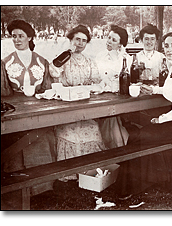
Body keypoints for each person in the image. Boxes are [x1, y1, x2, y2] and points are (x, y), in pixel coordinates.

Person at [115, 32, 172, 199]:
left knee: (139, 136)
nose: (168, 49)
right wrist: (154, 90)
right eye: (166, 46)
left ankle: (128, 188)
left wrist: (160, 119)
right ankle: (155, 180)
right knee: (140, 132)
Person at [1, 19, 55, 196]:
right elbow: (3, 93)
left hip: (39, 111)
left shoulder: (42, 61)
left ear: (30, 37)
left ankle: (43, 186)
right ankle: (17, 187)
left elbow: (48, 89)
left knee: (41, 136)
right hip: (15, 113)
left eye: (21, 36)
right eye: (13, 36)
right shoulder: (5, 63)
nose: (16, 40)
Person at [49, 25, 106, 181]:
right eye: (77, 39)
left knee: (91, 128)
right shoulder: (63, 58)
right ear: (70, 40)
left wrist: (85, 89)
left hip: (85, 105)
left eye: (84, 41)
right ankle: (70, 172)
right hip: (66, 105)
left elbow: (98, 82)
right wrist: (66, 54)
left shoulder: (89, 61)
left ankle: (90, 172)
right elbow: (53, 72)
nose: (80, 43)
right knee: (69, 131)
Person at [95, 25, 132, 149]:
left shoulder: (126, 59)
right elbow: (98, 78)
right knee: (111, 117)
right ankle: (118, 147)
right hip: (101, 97)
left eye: (114, 40)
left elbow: (124, 80)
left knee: (113, 117)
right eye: (109, 37)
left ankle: (115, 148)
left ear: (120, 45)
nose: (109, 41)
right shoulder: (100, 56)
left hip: (119, 98)